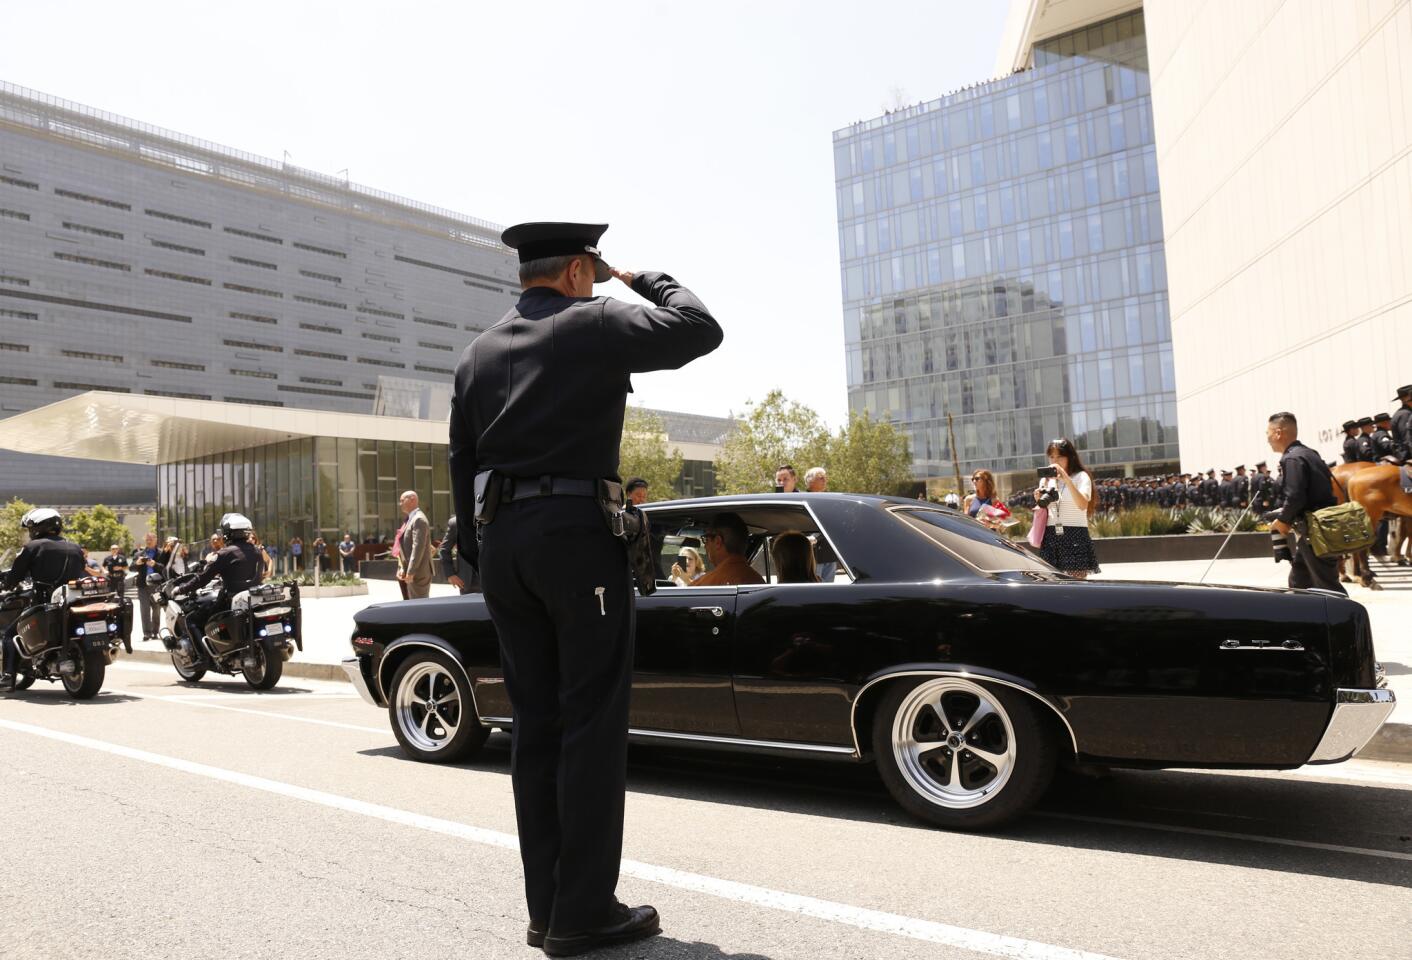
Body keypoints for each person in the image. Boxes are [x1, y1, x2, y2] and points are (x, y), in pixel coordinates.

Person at [448, 221, 721, 955]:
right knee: (591, 723)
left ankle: (549, 909)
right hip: (575, 537)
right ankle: (585, 913)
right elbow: (700, 328)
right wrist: (636, 276)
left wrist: (480, 555)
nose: (595, 284)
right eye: (591, 273)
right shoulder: (594, 318)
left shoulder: (475, 354)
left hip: (504, 545)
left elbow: (460, 462)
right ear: (575, 270)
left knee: (534, 726)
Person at [1, 509, 87, 690]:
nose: (30, 532)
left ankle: (8, 677)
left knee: (10, 634)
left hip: (44, 603)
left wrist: (7, 585)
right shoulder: (75, 547)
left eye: (30, 528)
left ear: (38, 527)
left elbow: (15, 575)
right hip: (74, 602)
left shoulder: (33, 547)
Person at [1266, 412, 1344, 595]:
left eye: (1267, 433)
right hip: (1319, 528)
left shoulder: (1292, 458)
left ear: (1278, 433)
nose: (1267, 438)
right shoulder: (1309, 453)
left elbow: (1295, 496)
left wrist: (1283, 521)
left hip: (1315, 532)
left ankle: (1347, 621)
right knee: (1299, 580)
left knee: (1329, 588)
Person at [179, 514, 264, 653]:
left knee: (191, 619)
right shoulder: (257, 551)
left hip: (229, 600)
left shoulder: (224, 554)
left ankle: (204, 658)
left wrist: (182, 589)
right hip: (253, 597)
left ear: (227, 533)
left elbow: (203, 578)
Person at [1033, 437, 1100, 579]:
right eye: (1051, 457)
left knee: (1077, 585)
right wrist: (1039, 500)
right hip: (1051, 536)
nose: (1055, 461)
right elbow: (1046, 510)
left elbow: (1083, 505)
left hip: (1075, 534)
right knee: (1051, 585)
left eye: (1060, 456)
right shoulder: (1045, 479)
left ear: (1070, 457)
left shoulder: (1081, 477)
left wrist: (1066, 479)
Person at [688, 513, 764, 586]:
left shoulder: (702, 586)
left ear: (718, 542)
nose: (705, 546)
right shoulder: (760, 583)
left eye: (706, 540)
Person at [395, 491, 433, 599]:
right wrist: (402, 568)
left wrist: (411, 571)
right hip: (413, 572)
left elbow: (418, 547)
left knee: (419, 608)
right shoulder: (410, 519)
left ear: (412, 499)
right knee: (414, 606)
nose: (400, 503)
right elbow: (405, 547)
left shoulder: (418, 519)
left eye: (402, 500)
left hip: (418, 573)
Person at [437, 515, 479, 595]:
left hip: (493, 579)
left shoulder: (495, 516)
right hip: (467, 582)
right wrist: (450, 574)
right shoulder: (456, 523)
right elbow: (444, 550)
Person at [132, 532, 162, 642]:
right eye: (147, 539)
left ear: (155, 539)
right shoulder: (139, 554)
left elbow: (164, 568)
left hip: (156, 586)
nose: (148, 541)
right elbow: (131, 568)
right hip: (142, 586)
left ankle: (155, 632)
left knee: (156, 609)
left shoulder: (161, 553)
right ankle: (146, 633)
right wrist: (137, 563)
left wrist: (155, 564)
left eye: (151, 539)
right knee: (144, 610)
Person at [102, 542, 132, 646]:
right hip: (111, 578)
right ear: (111, 550)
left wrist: (120, 568)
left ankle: (120, 609)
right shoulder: (108, 558)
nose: (114, 550)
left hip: (119, 577)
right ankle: (110, 609)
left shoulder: (122, 558)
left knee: (121, 595)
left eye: (116, 549)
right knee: (110, 595)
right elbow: (103, 566)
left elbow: (126, 568)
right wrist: (105, 571)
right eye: (113, 549)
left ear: (118, 550)